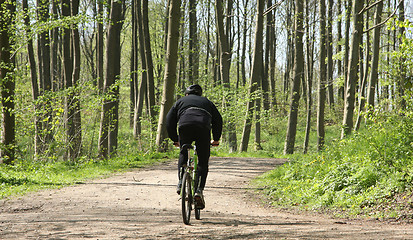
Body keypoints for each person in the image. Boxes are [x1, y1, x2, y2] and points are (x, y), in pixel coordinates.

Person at [166, 84, 223, 209]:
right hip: (203, 127)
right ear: (200, 95)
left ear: (186, 94)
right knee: (202, 161)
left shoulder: (180, 101)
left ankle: (181, 182)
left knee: (184, 151)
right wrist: (216, 139)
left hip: (185, 126)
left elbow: (169, 120)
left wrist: (175, 139)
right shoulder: (207, 102)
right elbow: (218, 120)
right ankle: (199, 190)